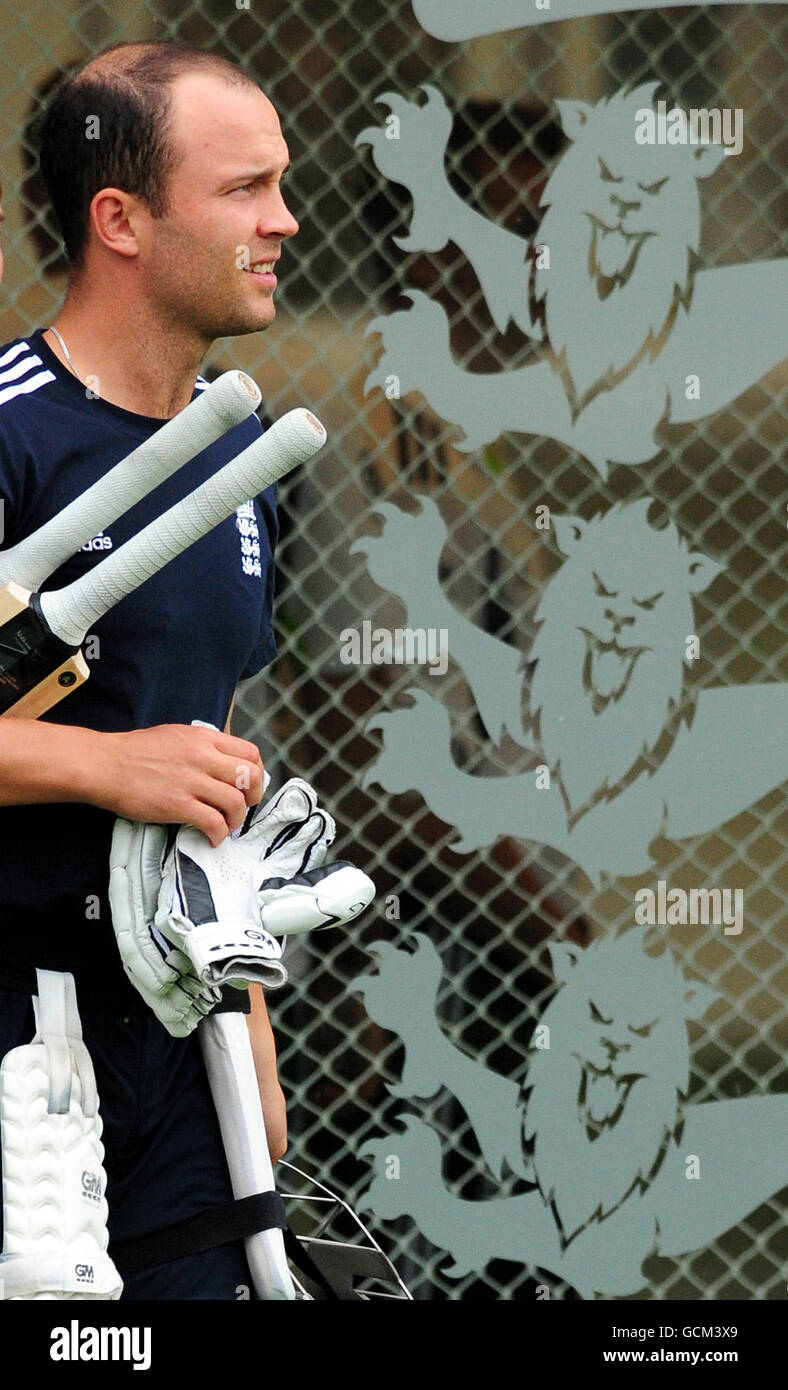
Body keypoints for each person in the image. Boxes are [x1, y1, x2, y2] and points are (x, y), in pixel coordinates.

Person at [0, 40, 300, 1299]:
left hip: (180, 1035)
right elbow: (147, 756)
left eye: (280, 183)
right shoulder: (13, 433)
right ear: (117, 219)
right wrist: (107, 763)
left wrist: (247, 1016)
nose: (283, 220)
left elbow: (206, 752)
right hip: (17, 1021)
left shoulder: (238, 452)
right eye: (243, 190)